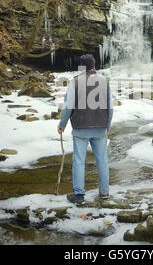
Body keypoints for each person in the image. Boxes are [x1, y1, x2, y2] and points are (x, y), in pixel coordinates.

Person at [57, 54, 113, 205]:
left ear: (81, 68)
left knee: (79, 161)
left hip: (81, 128)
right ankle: (105, 193)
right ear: (94, 67)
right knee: (102, 160)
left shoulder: (74, 82)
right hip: (100, 128)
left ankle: (79, 195)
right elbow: (110, 108)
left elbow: (68, 107)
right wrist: (107, 125)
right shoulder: (104, 82)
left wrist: (62, 125)